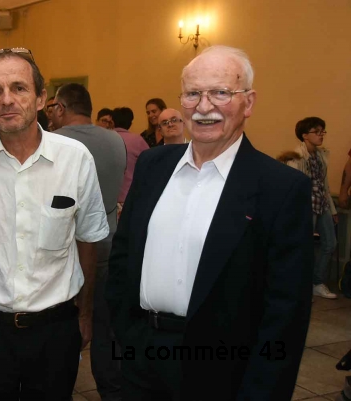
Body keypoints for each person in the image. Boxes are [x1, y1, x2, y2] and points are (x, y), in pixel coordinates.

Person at [106, 46, 314, 400]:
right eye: (192, 94)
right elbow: (124, 255)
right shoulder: (153, 165)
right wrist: (128, 336)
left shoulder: (280, 187)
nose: (204, 107)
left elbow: (286, 312)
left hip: (224, 368)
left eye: (221, 92)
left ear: (248, 102)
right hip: (143, 358)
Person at [0, 48, 108, 401]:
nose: (7, 100)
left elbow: (88, 239)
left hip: (56, 327)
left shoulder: (75, 159)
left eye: (19, 88)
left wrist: (85, 313)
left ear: (41, 98)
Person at [52, 83, 126, 401]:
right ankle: (111, 391)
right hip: (107, 244)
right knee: (105, 329)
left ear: (61, 108)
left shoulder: (53, 142)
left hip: (66, 252)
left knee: (64, 330)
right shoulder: (116, 140)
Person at [278, 117, 338, 299]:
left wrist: (333, 211)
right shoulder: (296, 157)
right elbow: (291, 187)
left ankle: (316, 282)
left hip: (322, 204)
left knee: (330, 243)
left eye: (322, 131)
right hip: (305, 206)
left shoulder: (321, 156)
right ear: (304, 135)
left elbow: (324, 185)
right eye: (316, 131)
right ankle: (300, 286)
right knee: (303, 246)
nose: (321, 135)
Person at [111, 107, 149, 214]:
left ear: (112, 121)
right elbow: (151, 165)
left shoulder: (103, 139)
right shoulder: (138, 141)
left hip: (106, 199)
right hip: (129, 198)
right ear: (130, 122)